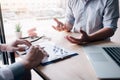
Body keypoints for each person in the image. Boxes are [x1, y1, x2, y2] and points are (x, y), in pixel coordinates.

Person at [52, 0, 119, 45]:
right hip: (77, 42)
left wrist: (89, 38)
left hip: (99, 43)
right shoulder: (72, 1)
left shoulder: (110, 1)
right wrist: (64, 27)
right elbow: (70, 24)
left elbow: (110, 28)